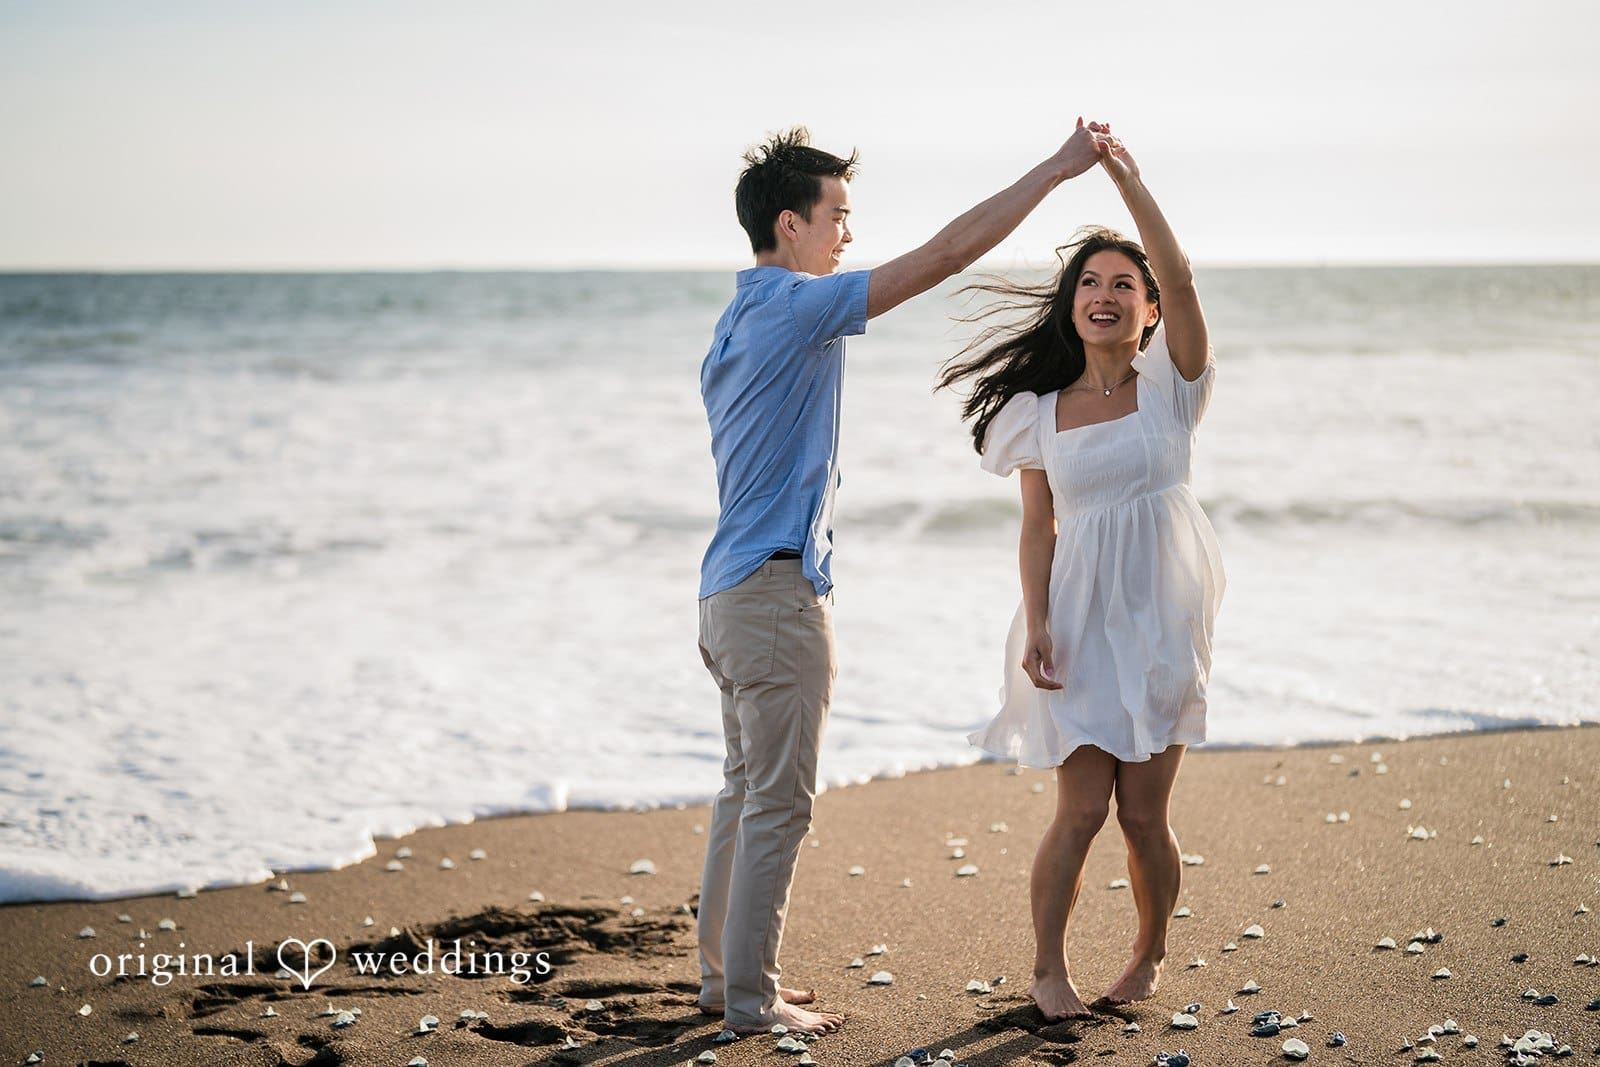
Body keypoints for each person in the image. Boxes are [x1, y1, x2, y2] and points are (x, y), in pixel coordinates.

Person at [696, 120, 1114, 1034]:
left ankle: (726, 975)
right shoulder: (796, 308)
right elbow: (949, 253)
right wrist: (1053, 169)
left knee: (743, 786)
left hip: (725, 592)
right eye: (837, 214)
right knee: (778, 798)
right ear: (788, 224)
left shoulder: (736, 317)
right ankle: (750, 1002)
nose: (848, 232)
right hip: (773, 597)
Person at [936, 130, 1224, 1021]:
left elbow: (1181, 276)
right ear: (1071, 307)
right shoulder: (1037, 416)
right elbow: (1037, 526)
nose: (1106, 295)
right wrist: (1038, 622)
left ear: (1147, 310)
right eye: (1091, 283)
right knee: (1080, 810)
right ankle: (1048, 969)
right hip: (1076, 619)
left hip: (1166, 616)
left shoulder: (1176, 385)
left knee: (1145, 814)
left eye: (1123, 285)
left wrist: (1130, 183)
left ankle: (1148, 953)